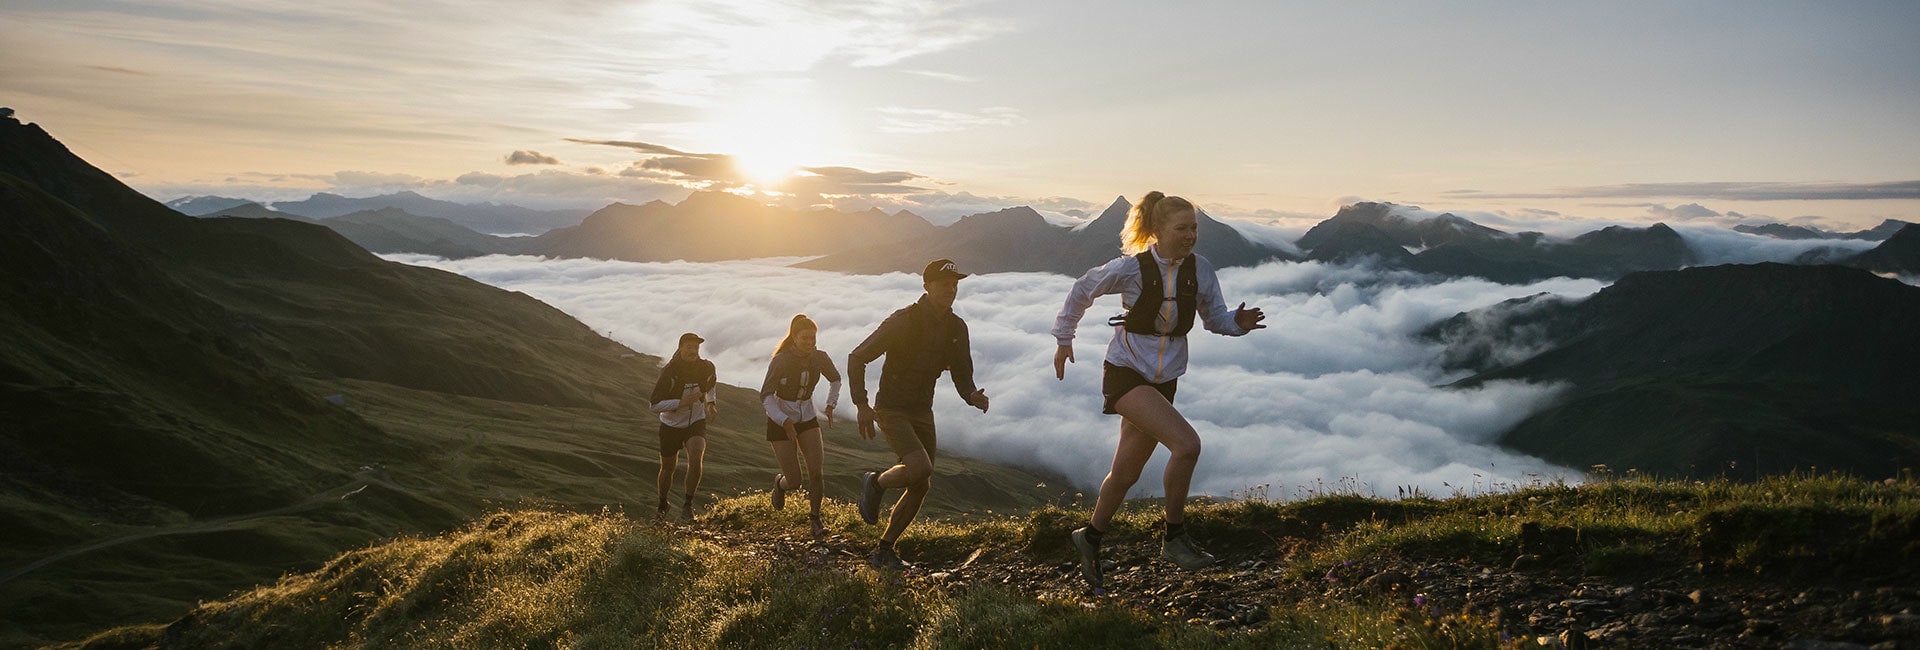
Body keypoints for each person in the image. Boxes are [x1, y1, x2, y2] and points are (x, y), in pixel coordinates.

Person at [1051, 191, 1266, 587]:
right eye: (1182, 228)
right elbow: (1083, 288)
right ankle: (1174, 538)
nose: (1190, 236)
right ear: (1157, 230)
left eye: (1194, 228)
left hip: (1165, 378)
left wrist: (1238, 323)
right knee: (1187, 446)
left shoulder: (1201, 271)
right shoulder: (1131, 268)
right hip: (1126, 371)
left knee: (1125, 473)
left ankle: (1090, 536)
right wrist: (1065, 338)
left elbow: (1213, 318)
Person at [849, 258, 990, 570]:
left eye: (954, 284)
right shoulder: (904, 321)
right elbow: (857, 357)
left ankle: (885, 549)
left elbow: (962, 374)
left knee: (921, 483)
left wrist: (972, 396)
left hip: (922, 410)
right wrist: (861, 403)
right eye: (943, 284)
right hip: (891, 408)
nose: (951, 290)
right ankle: (876, 483)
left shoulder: (956, 327)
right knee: (921, 468)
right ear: (927, 287)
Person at [760, 314, 842, 539]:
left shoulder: (820, 357)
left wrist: (830, 404)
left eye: (813, 338)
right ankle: (780, 484)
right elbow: (765, 395)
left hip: (807, 416)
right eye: (805, 338)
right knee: (795, 481)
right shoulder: (781, 361)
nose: (810, 343)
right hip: (780, 418)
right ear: (794, 337)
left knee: (816, 472)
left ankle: (815, 519)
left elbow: (835, 379)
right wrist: (783, 420)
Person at [649, 332, 719, 521]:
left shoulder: (706, 367)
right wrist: (680, 402)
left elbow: (711, 383)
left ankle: (687, 505)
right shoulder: (670, 372)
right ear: (680, 348)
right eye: (689, 347)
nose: (693, 351)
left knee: (696, 458)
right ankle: (663, 503)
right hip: (670, 424)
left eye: (696, 347)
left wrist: (711, 403)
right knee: (668, 468)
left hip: (696, 421)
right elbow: (654, 404)